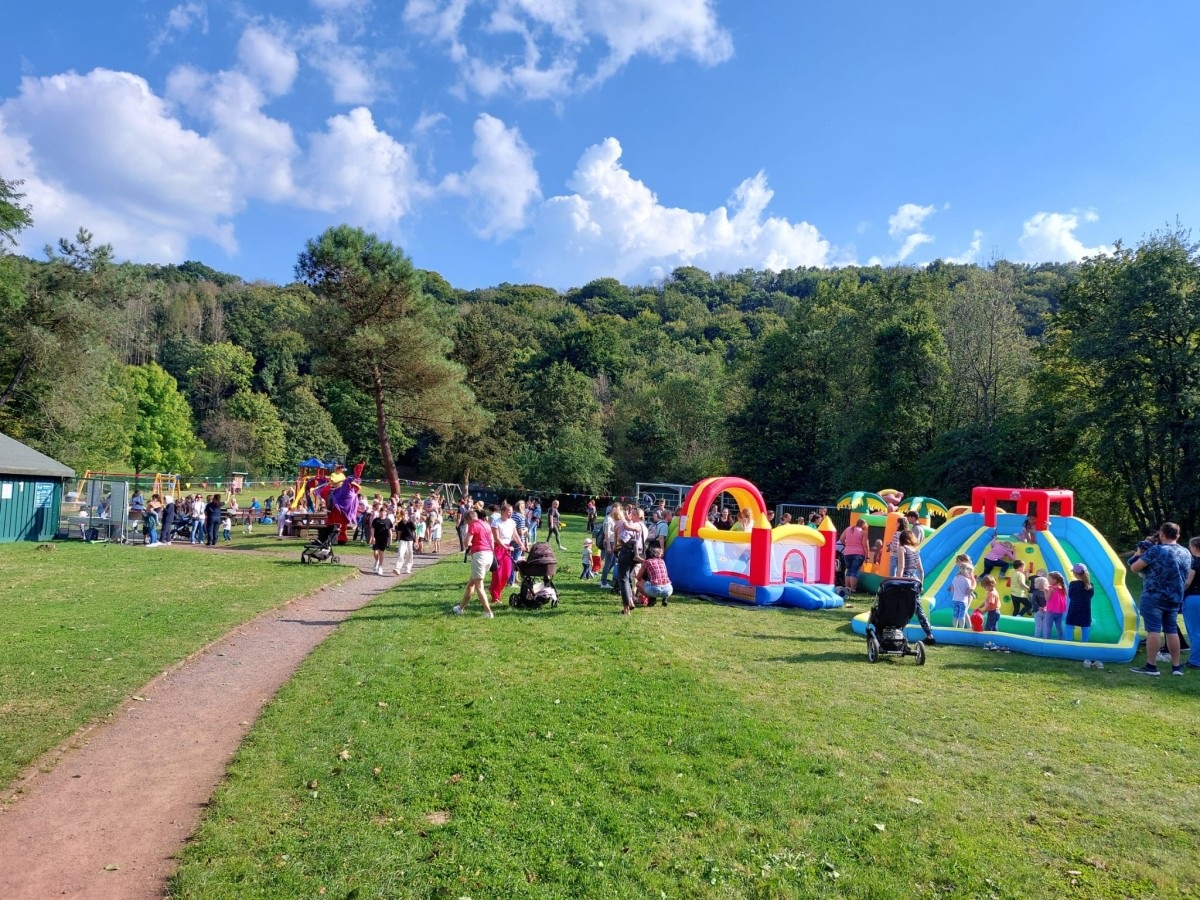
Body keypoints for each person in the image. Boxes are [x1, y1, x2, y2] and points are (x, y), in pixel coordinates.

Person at [1129, 522, 1191, 676]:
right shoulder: (1186, 552)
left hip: (1154, 595)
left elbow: (1134, 567)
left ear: (1162, 534)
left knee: (1153, 630)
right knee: (1171, 630)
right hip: (1175, 596)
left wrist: (1138, 553)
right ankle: (1176, 667)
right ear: (1178, 535)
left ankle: (1151, 666)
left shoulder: (1157, 550)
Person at [454, 509, 495, 618]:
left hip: (479, 556)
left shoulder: (473, 525)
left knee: (479, 586)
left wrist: (472, 544)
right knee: (471, 584)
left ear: (468, 518)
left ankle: (488, 612)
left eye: (466, 521)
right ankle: (461, 608)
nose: (466, 524)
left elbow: (466, 542)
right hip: (489, 555)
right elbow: (492, 541)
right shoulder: (486, 524)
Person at [615, 508, 648, 615]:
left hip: (627, 553)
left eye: (632, 514)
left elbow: (623, 538)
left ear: (637, 516)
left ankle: (626, 608)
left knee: (623, 579)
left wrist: (618, 540)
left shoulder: (634, 525)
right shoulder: (645, 527)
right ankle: (630, 600)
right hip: (638, 555)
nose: (630, 516)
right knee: (627, 578)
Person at [1067, 563, 1099, 667]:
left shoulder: (1073, 584)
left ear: (1075, 574)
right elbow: (1090, 596)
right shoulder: (1090, 585)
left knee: (1069, 625)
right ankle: (1084, 645)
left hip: (1074, 608)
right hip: (1085, 609)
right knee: (1085, 626)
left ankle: (1068, 645)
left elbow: (1070, 596)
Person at [490, 503, 519, 606]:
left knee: (506, 574)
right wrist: (506, 547)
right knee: (498, 574)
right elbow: (497, 539)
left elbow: (515, 535)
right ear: (502, 512)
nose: (510, 513)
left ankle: (496, 591)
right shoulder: (496, 522)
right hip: (498, 548)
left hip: (508, 549)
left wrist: (522, 544)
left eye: (511, 511)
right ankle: (495, 596)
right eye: (508, 511)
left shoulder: (512, 522)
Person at [1181, 536, 1200, 670]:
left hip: (1194, 598)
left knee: (1195, 631)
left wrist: (1178, 591)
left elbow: (1187, 582)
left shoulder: (1194, 562)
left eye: (1190, 546)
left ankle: (1195, 661)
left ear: (1195, 547)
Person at [841, 517, 869, 593]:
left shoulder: (848, 529)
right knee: (855, 571)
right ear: (863, 524)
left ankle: (847, 588)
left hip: (847, 553)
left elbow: (841, 539)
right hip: (858, 553)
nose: (867, 526)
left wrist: (847, 545)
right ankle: (853, 590)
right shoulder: (863, 532)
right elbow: (865, 545)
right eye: (866, 524)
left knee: (849, 571)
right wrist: (867, 556)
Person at [949, 562, 974, 629]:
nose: (970, 574)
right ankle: (961, 629)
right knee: (962, 616)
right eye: (970, 572)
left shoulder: (955, 578)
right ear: (966, 571)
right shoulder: (967, 580)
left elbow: (952, 589)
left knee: (955, 615)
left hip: (955, 600)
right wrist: (973, 595)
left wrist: (955, 594)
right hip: (963, 601)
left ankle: (954, 628)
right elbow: (968, 590)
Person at [1044, 572, 1068, 640]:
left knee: (1048, 626)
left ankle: (1046, 639)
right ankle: (1060, 639)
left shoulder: (1051, 588)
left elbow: (1047, 599)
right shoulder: (1063, 588)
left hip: (1051, 611)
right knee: (1059, 626)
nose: (1047, 581)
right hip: (1059, 611)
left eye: (1048, 579)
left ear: (1054, 580)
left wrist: (1045, 592)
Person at [371, 506, 394, 576]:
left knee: (381, 552)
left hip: (384, 539)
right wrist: (372, 537)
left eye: (384, 512)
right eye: (381, 512)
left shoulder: (388, 521)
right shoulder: (376, 520)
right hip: (376, 538)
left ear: (386, 513)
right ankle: (377, 560)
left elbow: (390, 530)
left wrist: (390, 539)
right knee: (375, 552)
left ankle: (380, 567)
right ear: (379, 512)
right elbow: (372, 529)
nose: (382, 514)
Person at [393, 508, 416, 575]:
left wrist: (416, 540)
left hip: (410, 540)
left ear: (407, 516)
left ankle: (408, 567)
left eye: (404, 515)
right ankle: (398, 568)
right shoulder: (400, 523)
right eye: (402, 515)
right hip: (403, 540)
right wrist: (398, 540)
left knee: (409, 554)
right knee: (401, 553)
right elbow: (399, 532)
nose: (403, 517)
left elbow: (415, 532)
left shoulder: (410, 523)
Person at [1031, 569, 1050, 638]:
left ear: (1039, 584)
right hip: (1043, 611)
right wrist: (1044, 607)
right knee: (1044, 626)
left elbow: (1033, 601)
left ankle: (1037, 637)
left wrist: (1040, 607)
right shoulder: (1047, 592)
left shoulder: (1035, 592)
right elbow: (1049, 601)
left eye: (1035, 583)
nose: (1034, 584)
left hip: (1039, 611)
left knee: (1039, 625)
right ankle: (1045, 638)